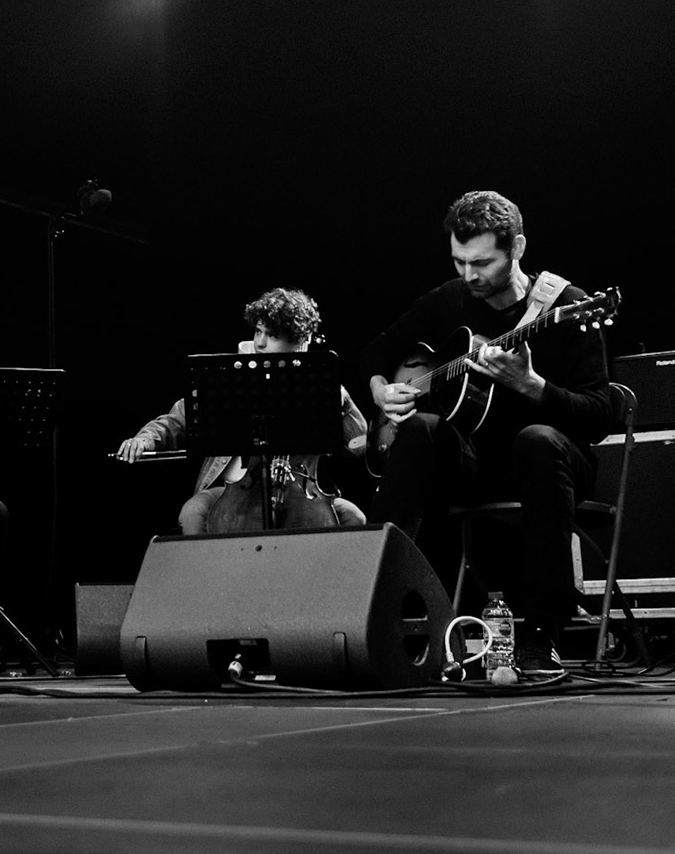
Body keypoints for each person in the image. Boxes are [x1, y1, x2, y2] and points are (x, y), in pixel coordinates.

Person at [360, 190, 619, 681]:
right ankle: (383, 615)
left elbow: (601, 415)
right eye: (458, 261)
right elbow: (377, 350)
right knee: (418, 429)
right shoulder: (451, 299)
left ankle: (542, 638)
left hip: (552, 467)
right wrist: (379, 391)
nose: (468, 275)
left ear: (517, 246)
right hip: (476, 464)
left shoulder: (570, 307)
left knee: (537, 440)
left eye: (481, 262)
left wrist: (531, 385)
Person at [116, 287, 367, 533]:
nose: (260, 343)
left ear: (300, 341)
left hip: (299, 492)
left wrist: (342, 400)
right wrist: (146, 439)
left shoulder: (318, 386)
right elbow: (180, 417)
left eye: (273, 335)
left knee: (354, 518)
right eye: (258, 331)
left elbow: (359, 444)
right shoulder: (232, 377)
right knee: (194, 511)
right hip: (233, 488)